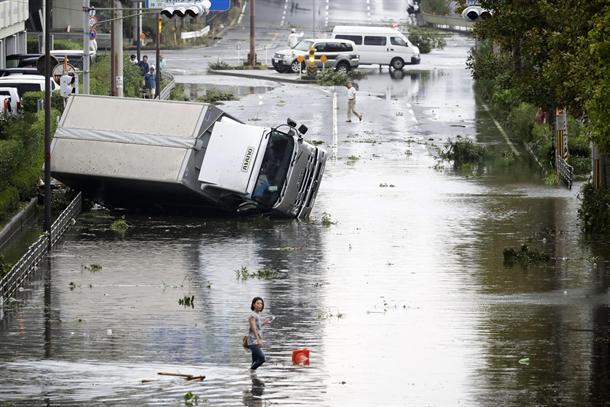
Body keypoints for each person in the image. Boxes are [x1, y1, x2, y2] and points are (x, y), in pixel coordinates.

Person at [247, 297, 273, 371]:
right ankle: (250, 371)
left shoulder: (257, 315)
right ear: (253, 305)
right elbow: (253, 328)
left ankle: (252, 377)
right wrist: (258, 340)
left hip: (254, 340)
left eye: (261, 303)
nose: (260, 305)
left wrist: (264, 323)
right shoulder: (253, 315)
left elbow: (257, 327)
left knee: (254, 362)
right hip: (253, 341)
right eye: (258, 303)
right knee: (262, 359)